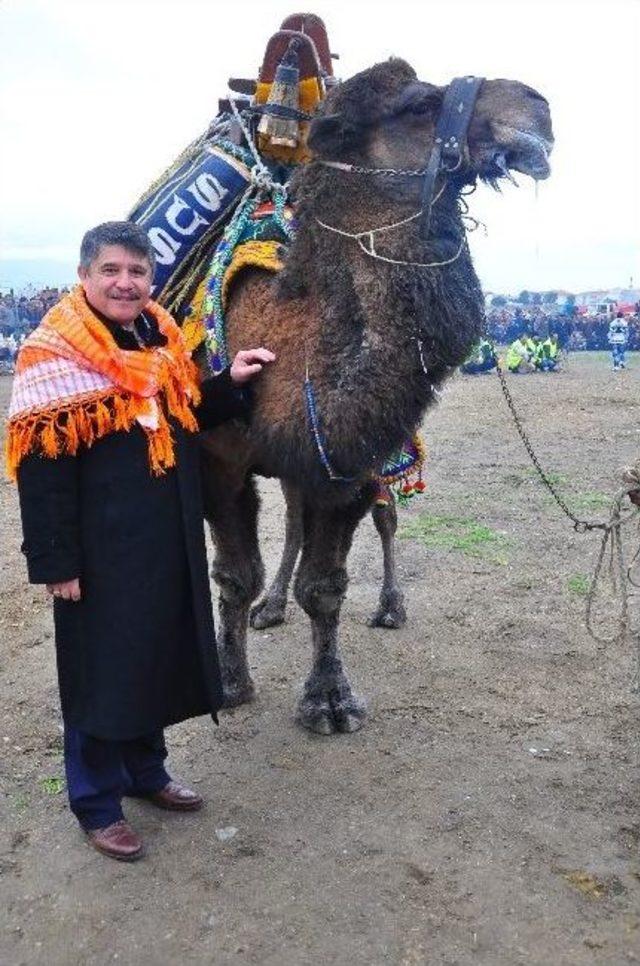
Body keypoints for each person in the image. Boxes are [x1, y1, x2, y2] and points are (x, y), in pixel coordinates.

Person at [6, 222, 275, 861]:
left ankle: (146, 773)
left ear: (151, 278)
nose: (125, 282)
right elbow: (41, 472)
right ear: (85, 277)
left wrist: (229, 383)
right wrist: (55, 560)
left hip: (163, 535)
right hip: (98, 552)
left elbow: (180, 418)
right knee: (101, 669)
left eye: (137, 271)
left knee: (153, 651)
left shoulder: (159, 337)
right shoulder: (52, 356)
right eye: (111, 271)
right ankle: (97, 801)